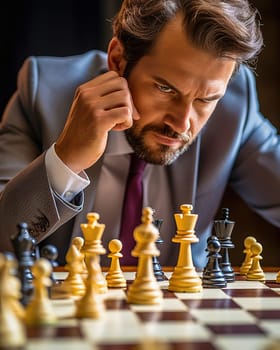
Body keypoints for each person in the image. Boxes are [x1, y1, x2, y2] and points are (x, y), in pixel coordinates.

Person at [0, 0, 279, 268]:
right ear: (118, 60)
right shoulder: (42, 93)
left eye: (205, 100)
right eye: (165, 88)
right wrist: (65, 160)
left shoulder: (234, 106)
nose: (182, 123)